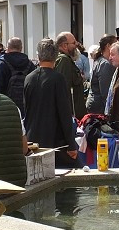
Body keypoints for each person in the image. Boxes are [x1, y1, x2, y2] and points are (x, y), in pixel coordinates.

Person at [24, 38, 80, 168]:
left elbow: (26, 108)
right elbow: (65, 112)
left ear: (38, 55)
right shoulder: (58, 79)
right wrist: (71, 144)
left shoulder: (29, 78)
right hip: (55, 140)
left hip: (32, 137)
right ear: (56, 56)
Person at [0, 37, 37, 116]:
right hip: (26, 108)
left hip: (7, 108)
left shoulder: (3, 63)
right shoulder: (30, 64)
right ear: (21, 48)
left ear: (8, 48)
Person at [54, 32, 86, 120]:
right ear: (64, 46)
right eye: (74, 43)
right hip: (72, 115)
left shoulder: (65, 59)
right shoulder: (64, 60)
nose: (76, 45)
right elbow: (64, 89)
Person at [86, 35, 116, 116]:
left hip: (95, 103)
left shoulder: (100, 60)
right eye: (115, 44)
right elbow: (105, 91)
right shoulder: (105, 64)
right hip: (99, 106)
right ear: (108, 46)